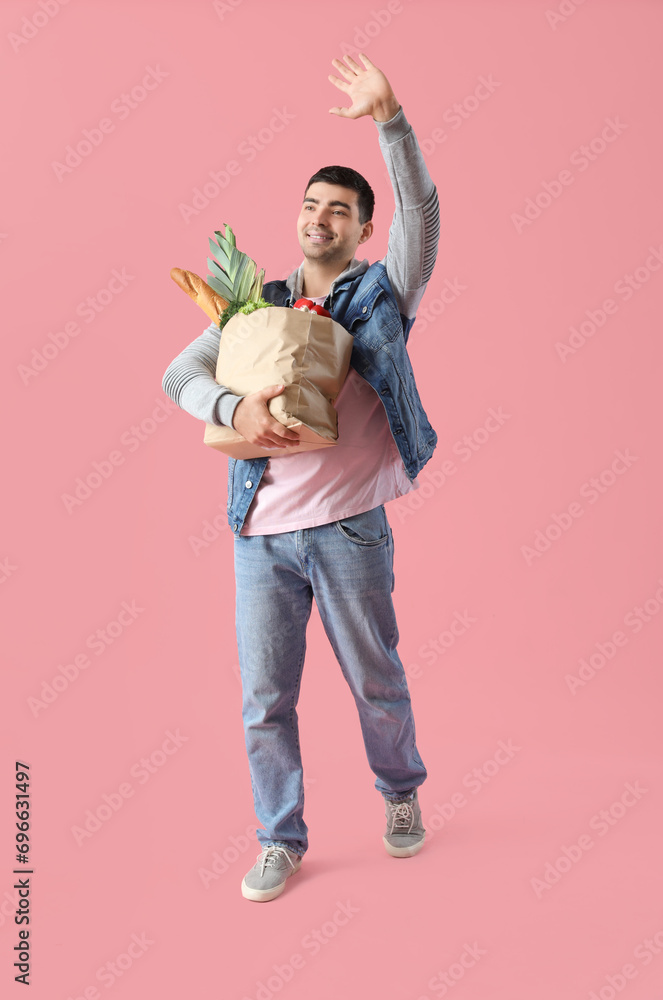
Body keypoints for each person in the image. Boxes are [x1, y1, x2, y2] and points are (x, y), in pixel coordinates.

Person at [162, 53, 440, 902]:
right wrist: (236, 413)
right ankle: (279, 838)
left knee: (376, 679)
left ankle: (399, 796)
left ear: (361, 230)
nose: (322, 218)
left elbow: (420, 217)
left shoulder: (382, 295)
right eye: (311, 205)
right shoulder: (253, 311)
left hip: (351, 526)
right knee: (263, 701)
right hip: (261, 536)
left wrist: (390, 121)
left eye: (341, 211)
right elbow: (178, 376)